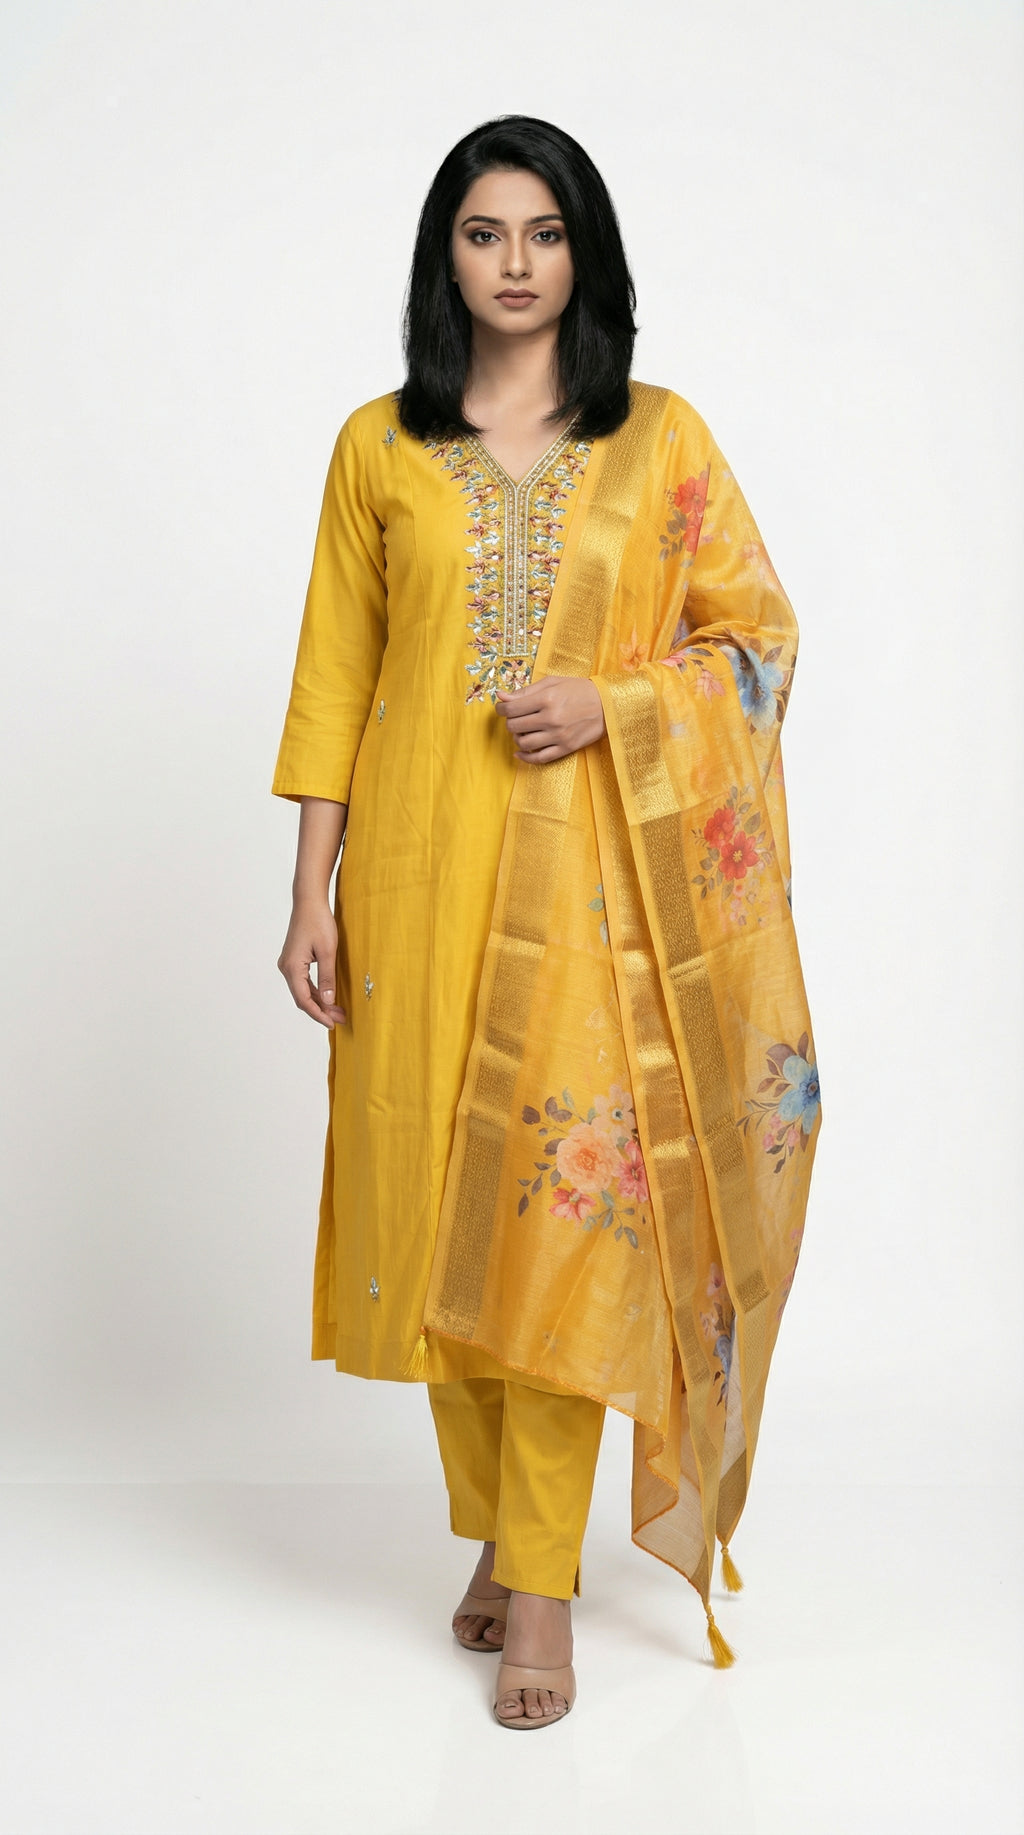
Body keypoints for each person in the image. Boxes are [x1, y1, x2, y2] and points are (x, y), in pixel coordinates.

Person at [273, 115, 820, 1731]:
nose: (515, 265)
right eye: (484, 234)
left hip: (588, 895)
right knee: (439, 1207)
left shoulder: (660, 442)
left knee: (558, 1221)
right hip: (425, 874)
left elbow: (761, 644)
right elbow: (335, 678)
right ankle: (502, 1536)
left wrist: (617, 702)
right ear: (444, 258)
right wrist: (312, 888)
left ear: (588, 255)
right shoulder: (381, 445)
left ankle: (544, 1596)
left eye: (545, 234)